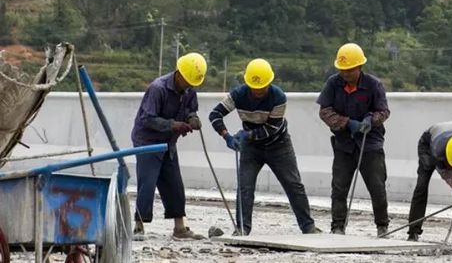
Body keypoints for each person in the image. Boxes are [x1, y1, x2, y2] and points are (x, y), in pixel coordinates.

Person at [209, 58, 320, 235]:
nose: (259, 91)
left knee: (293, 185)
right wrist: (226, 136)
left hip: (279, 146)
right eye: (255, 88)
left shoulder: (278, 97)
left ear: (270, 82)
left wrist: (247, 134)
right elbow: (215, 114)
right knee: (245, 187)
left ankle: (308, 227)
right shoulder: (238, 95)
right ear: (248, 83)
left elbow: (272, 128)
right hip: (251, 149)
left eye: (262, 88)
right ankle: (242, 229)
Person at [316, 43, 391, 236]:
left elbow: (384, 111)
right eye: (343, 70)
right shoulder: (333, 83)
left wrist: (371, 120)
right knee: (339, 187)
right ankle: (338, 226)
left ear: (359, 67)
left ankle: (382, 226)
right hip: (344, 144)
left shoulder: (374, 85)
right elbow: (325, 111)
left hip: (370, 144)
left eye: (350, 70)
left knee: (377, 186)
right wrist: (346, 123)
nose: (346, 74)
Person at [131, 52, 207, 241]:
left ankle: (179, 227)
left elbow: (190, 109)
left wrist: (192, 119)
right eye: (188, 81)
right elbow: (147, 118)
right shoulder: (158, 88)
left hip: (168, 142)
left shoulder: (189, 89)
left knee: (174, 183)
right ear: (179, 74)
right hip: (147, 141)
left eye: (193, 83)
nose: (190, 86)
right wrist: (173, 125)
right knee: (147, 182)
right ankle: (139, 226)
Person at [407, 121, 452, 246]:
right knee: (422, 185)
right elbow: (445, 172)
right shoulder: (437, 150)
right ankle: (413, 231)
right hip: (428, 144)